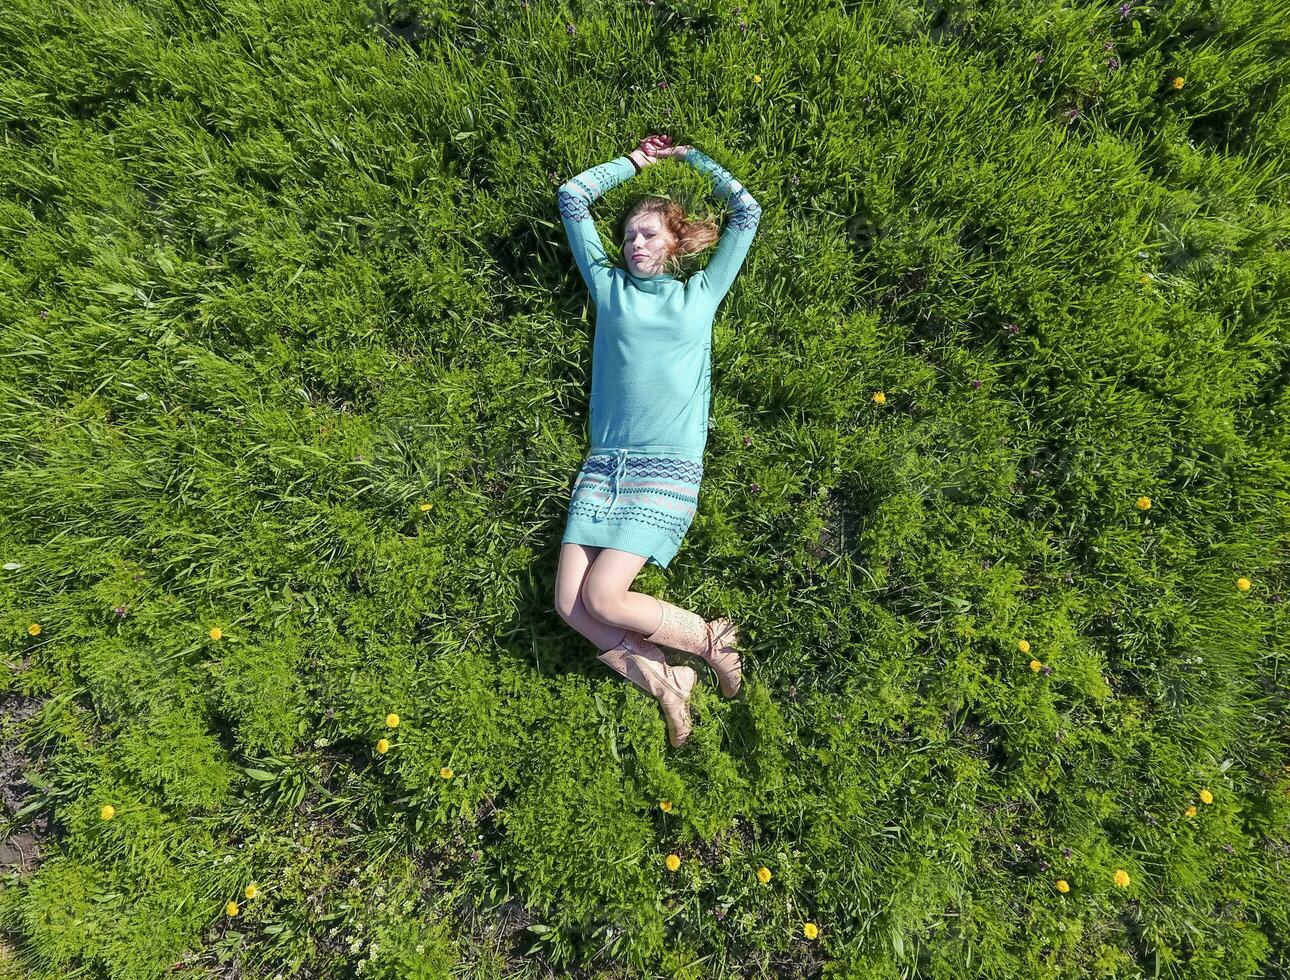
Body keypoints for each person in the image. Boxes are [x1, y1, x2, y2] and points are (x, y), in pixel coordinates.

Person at [553, 134, 762, 747]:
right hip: (604, 466)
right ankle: (668, 681)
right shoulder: (609, 288)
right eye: (627, 236)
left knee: (604, 597)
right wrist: (635, 163)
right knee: (570, 605)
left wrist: (690, 159)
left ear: (674, 244)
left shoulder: (701, 294)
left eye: (648, 234)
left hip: (666, 467)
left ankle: (709, 640)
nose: (634, 244)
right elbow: (572, 197)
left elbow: (746, 211)